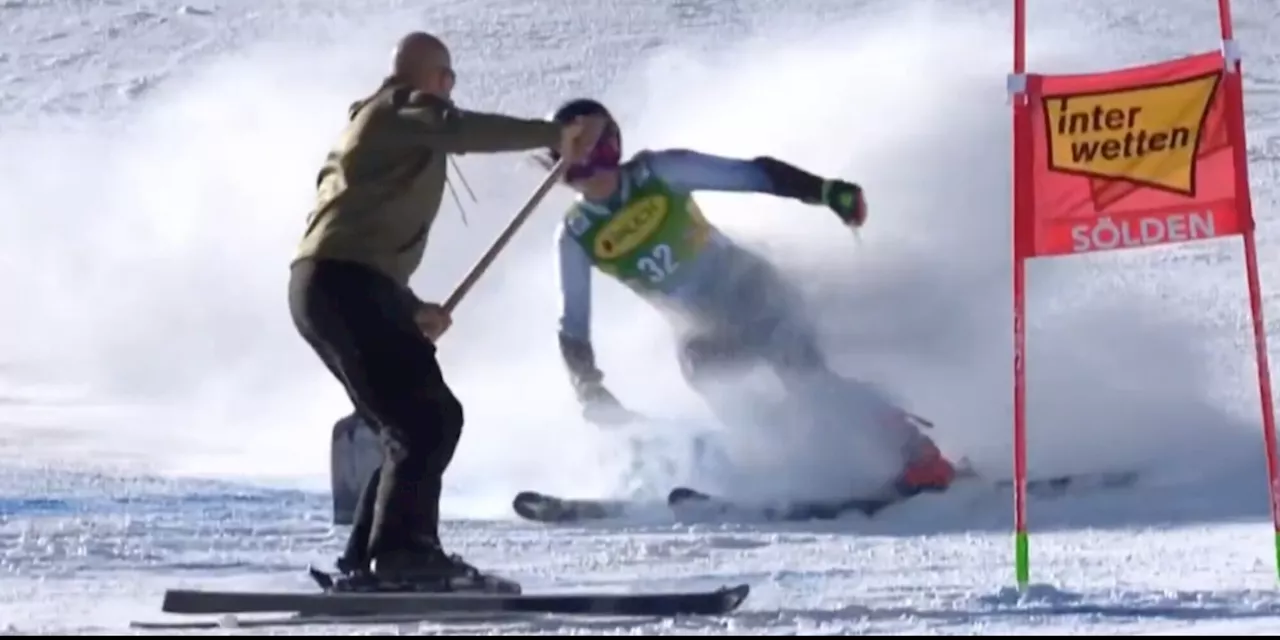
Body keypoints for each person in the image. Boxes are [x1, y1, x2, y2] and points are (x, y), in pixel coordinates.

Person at [288, 32, 594, 592]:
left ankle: (367, 560)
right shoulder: (402, 106)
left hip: (331, 285)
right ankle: (405, 557)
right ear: (422, 74)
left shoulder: (381, 127)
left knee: (404, 426)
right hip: (345, 285)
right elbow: (459, 129)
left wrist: (410, 307)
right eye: (446, 76)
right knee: (429, 419)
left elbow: (356, 235)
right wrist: (556, 134)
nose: (449, 89)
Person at [542, 98, 958, 501]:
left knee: (807, 380)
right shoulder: (578, 235)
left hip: (749, 289)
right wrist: (588, 387)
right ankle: (800, 469)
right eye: (572, 154)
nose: (590, 166)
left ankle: (919, 455)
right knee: (722, 390)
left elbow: (754, 175)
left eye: (594, 146)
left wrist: (826, 191)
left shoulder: (658, 172)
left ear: (612, 143)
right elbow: (572, 324)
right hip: (701, 328)